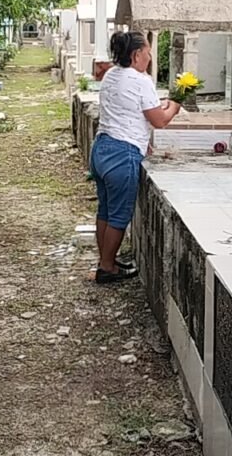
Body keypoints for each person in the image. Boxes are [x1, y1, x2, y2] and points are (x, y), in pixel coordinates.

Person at [90, 31, 181, 284]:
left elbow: (128, 111)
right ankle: (107, 267)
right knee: (119, 214)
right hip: (122, 154)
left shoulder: (111, 75)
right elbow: (159, 120)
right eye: (148, 53)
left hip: (101, 148)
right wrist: (175, 104)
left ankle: (104, 260)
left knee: (105, 209)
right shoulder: (141, 81)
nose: (150, 58)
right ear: (136, 54)